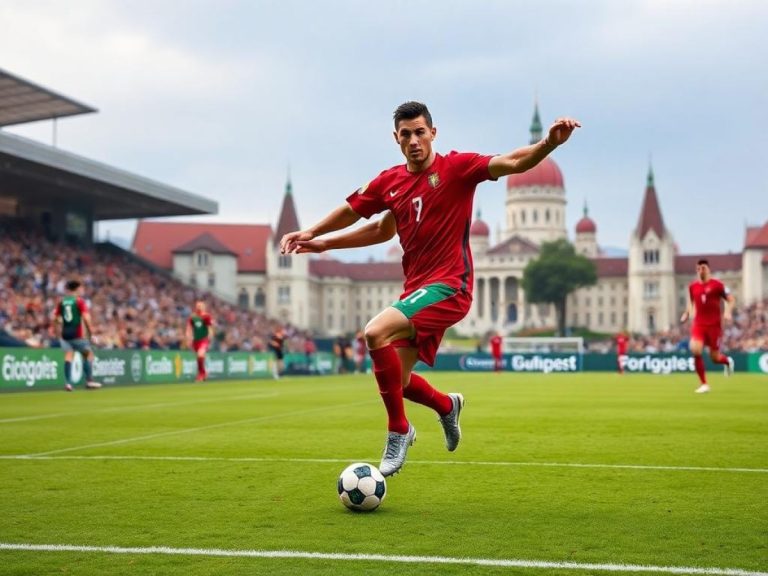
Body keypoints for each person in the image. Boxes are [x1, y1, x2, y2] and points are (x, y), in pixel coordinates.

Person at [280, 101, 579, 476]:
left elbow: (514, 162)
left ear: (433, 133)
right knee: (399, 381)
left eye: (420, 132)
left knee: (374, 332)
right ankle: (446, 406)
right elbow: (374, 225)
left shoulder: (457, 168)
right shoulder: (390, 182)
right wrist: (318, 238)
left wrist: (549, 144)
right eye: (406, 134)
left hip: (451, 285)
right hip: (416, 291)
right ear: (396, 138)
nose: (414, 140)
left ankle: (399, 430)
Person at [680, 258, 735, 393]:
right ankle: (704, 384)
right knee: (695, 349)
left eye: (703, 268)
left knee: (715, 358)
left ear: (708, 269)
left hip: (714, 326)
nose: (701, 271)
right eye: (698, 269)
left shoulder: (718, 285)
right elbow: (691, 302)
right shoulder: (693, 287)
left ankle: (727, 362)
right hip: (699, 324)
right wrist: (687, 313)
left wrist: (727, 312)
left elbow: (731, 299)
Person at [54, 279, 101, 391]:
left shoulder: (62, 302)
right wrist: (92, 334)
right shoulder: (79, 301)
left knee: (68, 356)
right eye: (81, 288)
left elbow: (56, 319)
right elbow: (86, 318)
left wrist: (58, 334)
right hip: (77, 334)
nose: (82, 290)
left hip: (65, 335)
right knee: (88, 354)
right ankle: (89, 381)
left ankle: (68, 383)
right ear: (77, 289)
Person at [186, 300, 214, 381]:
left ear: (204, 307)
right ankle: (203, 372)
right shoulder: (192, 317)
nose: (199, 307)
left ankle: (201, 374)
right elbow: (189, 328)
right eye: (197, 306)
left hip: (204, 339)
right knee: (199, 357)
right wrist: (188, 338)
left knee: (200, 355)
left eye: (200, 306)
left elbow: (210, 328)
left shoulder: (206, 316)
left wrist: (210, 337)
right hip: (195, 340)